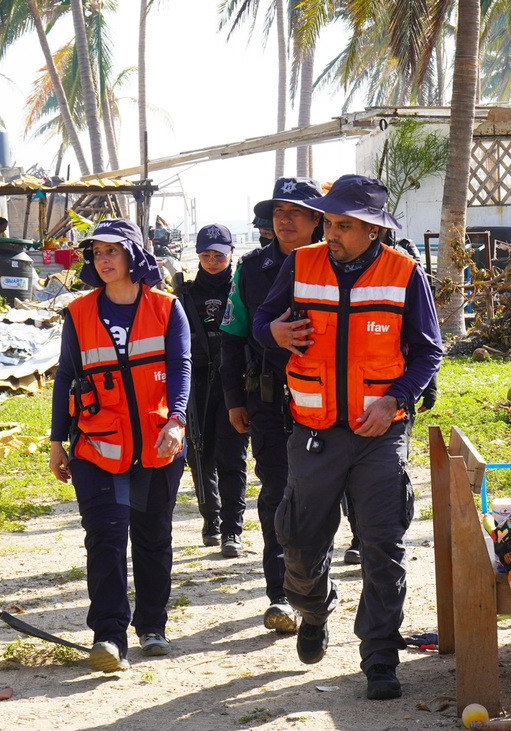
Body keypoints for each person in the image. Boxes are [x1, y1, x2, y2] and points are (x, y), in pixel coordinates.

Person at [252, 175, 442, 700]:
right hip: (313, 433)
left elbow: (429, 352)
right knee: (300, 542)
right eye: (328, 222)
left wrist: (395, 400)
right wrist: (276, 333)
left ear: (374, 229)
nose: (329, 233)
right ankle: (314, 610)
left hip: (379, 435)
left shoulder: (405, 272)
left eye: (342, 225)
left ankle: (379, 656)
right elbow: (262, 320)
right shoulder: (300, 263)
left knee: (383, 546)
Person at [48, 218, 191, 673]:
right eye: (97, 253)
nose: (104, 259)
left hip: (156, 443)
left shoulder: (167, 308)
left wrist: (178, 420)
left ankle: (152, 627)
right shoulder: (79, 312)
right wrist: (56, 440)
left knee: (152, 538)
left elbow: (182, 366)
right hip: (97, 444)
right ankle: (108, 636)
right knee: (106, 537)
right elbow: (66, 377)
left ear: (133, 255)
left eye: (113, 251)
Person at [219, 177, 324, 636]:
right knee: (276, 495)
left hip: (327, 404)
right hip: (268, 403)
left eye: (296, 211)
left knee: (321, 499)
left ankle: (313, 590)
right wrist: (233, 401)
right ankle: (279, 594)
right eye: (279, 211)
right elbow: (230, 339)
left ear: (317, 220)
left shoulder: (337, 264)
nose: (284, 219)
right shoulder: (251, 269)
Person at [178, 224, 250, 556]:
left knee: (232, 456)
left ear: (230, 253)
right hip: (197, 384)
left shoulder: (244, 287)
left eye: (218, 255)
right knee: (199, 454)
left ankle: (232, 530)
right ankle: (212, 520)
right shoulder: (184, 294)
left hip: (235, 383)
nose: (211, 260)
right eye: (205, 255)